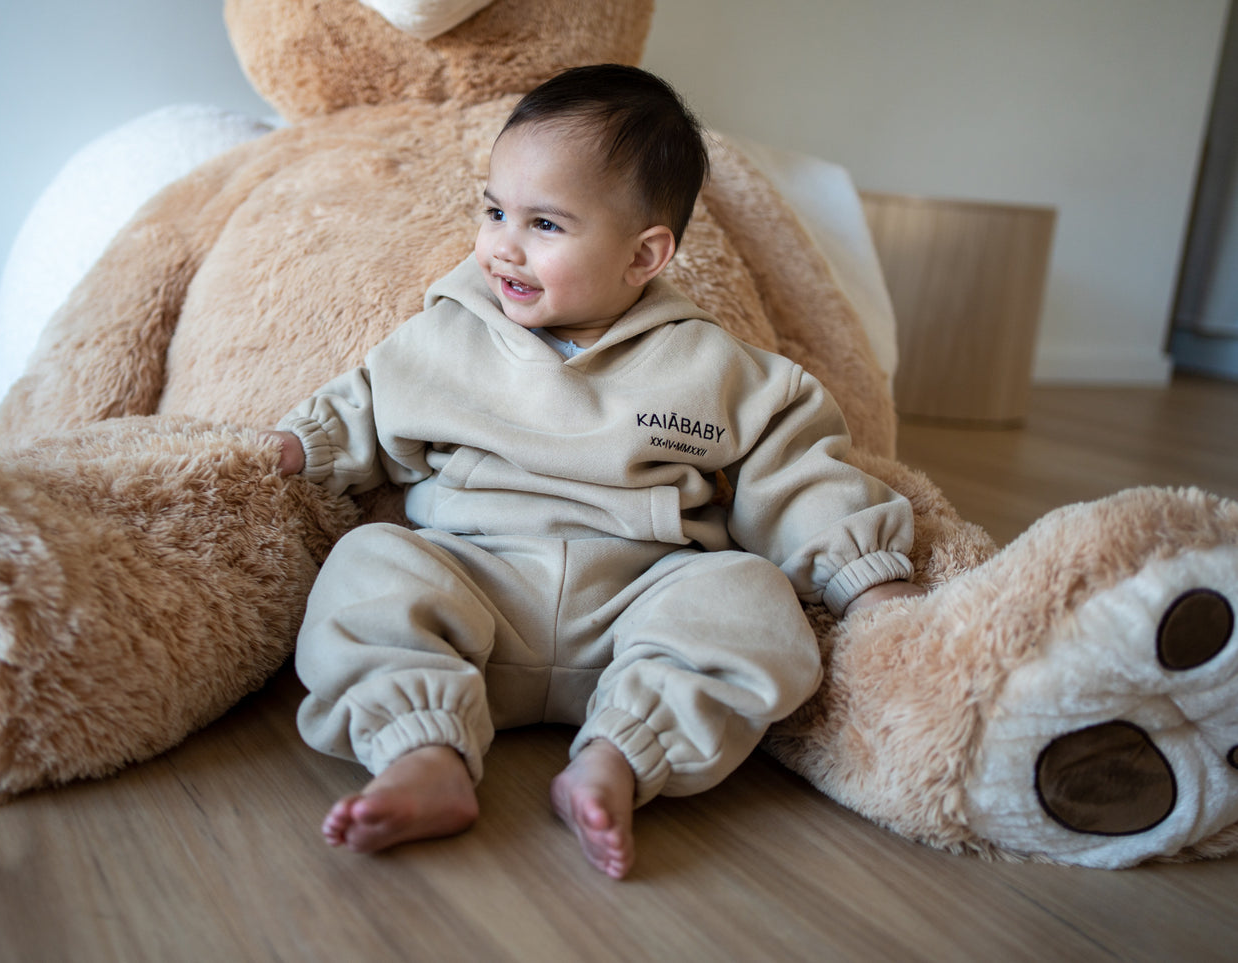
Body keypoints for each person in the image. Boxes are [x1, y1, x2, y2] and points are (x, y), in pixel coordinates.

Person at [265, 63, 923, 879]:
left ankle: (622, 753)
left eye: (544, 223)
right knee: (366, 568)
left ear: (643, 254)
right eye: (495, 209)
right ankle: (422, 749)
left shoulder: (711, 365)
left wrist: (863, 569)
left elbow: (796, 466)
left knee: (749, 599)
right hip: (474, 582)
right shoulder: (447, 336)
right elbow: (369, 402)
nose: (503, 243)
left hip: (637, 603)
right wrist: (309, 443)